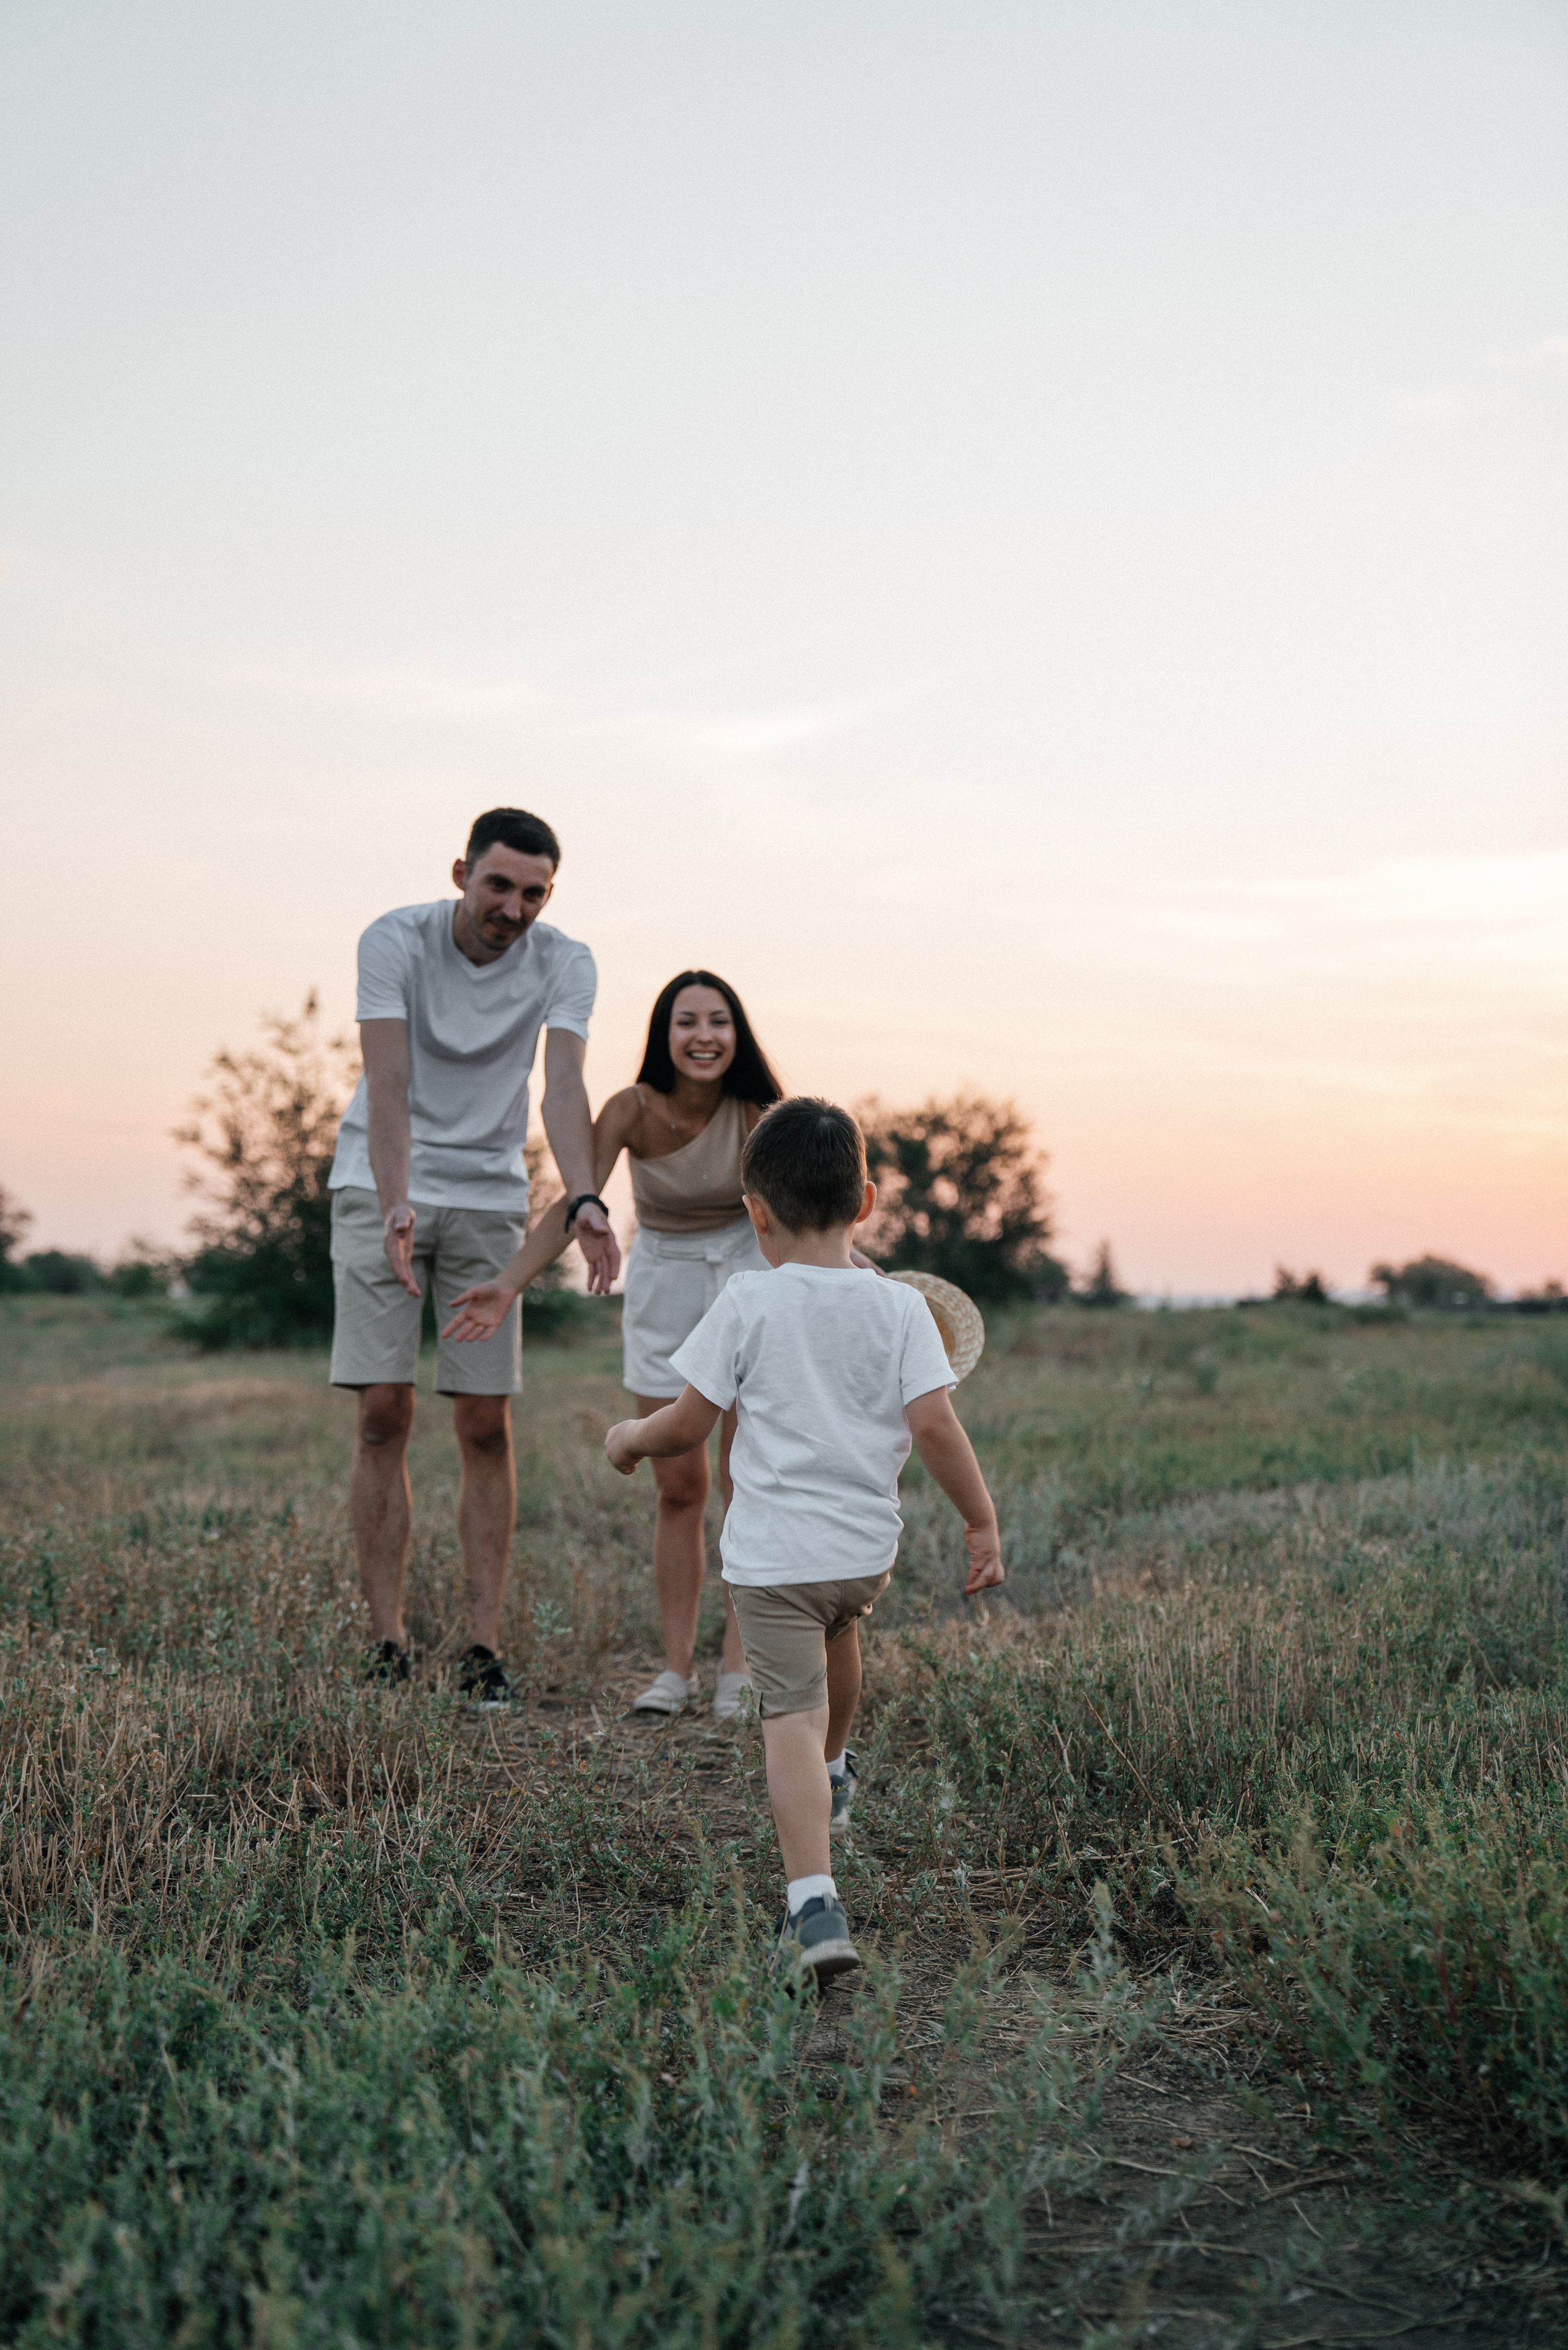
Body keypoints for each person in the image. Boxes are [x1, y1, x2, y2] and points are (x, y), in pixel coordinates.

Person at [603, 1097, 1005, 1987]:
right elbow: (936, 1426)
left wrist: (629, 1439)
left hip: (775, 1562)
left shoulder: (747, 1300)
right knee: (839, 1636)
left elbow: (687, 1426)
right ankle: (835, 1770)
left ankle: (813, 1903)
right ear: (865, 1202)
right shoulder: (901, 1309)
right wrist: (979, 1522)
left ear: (756, 1214)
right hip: (862, 1556)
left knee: (788, 1712)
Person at [326, 807, 619, 1703]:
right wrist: (397, 1198)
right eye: (498, 885)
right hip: (381, 1183)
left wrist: (584, 1196)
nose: (513, 908)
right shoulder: (394, 940)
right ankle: (386, 1639)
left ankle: (482, 1644)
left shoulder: (566, 961)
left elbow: (562, 1086)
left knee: (485, 1422)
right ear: (462, 873)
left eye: (534, 893)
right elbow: (389, 1082)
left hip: (491, 1195)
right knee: (384, 1411)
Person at [443, 970, 786, 1719]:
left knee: (748, 1481)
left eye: (719, 1021)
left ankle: (737, 1670)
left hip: (748, 1277)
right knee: (678, 1485)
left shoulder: (759, 1113)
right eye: (687, 1021)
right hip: (663, 1285)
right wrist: (508, 1285)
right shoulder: (631, 1108)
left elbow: (804, 1208)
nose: (704, 1036)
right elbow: (578, 1205)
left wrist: (852, 1264)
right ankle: (675, 1671)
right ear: (664, 1033)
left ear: (738, 1033)